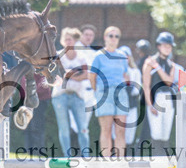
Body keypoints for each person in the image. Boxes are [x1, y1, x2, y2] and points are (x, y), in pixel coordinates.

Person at [89, 26, 130, 158]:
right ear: (105, 38)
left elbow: (125, 75)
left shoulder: (123, 56)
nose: (113, 38)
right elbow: (92, 77)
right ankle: (106, 162)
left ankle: (120, 161)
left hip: (120, 93)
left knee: (121, 130)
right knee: (106, 129)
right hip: (104, 93)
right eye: (111, 35)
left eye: (116, 36)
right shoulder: (98, 56)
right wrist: (98, 92)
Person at [51, 27, 91, 157]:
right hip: (60, 95)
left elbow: (86, 75)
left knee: (83, 128)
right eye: (66, 39)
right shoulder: (58, 56)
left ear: (74, 40)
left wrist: (70, 74)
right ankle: (67, 157)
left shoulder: (81, 56)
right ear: (62, 41)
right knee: (64, 129)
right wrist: (76, 74)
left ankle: (85, 157)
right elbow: (57, 74)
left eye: (70, 39)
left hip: (77, 95)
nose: (68, 42)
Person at [143, 32, 178, 155]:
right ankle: (157, 165)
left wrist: (158, 68)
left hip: (168, 99)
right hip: (155, 97)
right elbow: (146, 86)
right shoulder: (149, 62)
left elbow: (169, 82)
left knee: (165, 133)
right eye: (165, 46)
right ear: (159, 46)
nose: (167, 48)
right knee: (156, 132)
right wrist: (150, 104)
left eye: (169, 46)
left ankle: (165, 164)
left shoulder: (171, 65)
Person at [118, 45, 143, 149]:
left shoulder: (135, 71)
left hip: (131, 104)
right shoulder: (116, 71)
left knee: (130, 132)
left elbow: (136, 90)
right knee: (118, 131)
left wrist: (127, 85)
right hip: (119, 104)